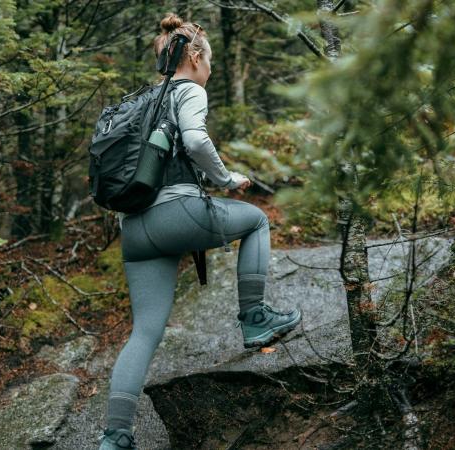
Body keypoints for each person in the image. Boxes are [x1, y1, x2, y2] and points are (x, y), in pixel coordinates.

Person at [98, 13, 302, 450]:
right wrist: (228, 180)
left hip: (135, 230)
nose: (210, 70)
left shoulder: (144, 100)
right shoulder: (188, 89)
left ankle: (115, 436)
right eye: (209, 61)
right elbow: (193, 140)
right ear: (194, 56)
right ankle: (255, 319)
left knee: (144, 332)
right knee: (256, 220)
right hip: (178, 214)